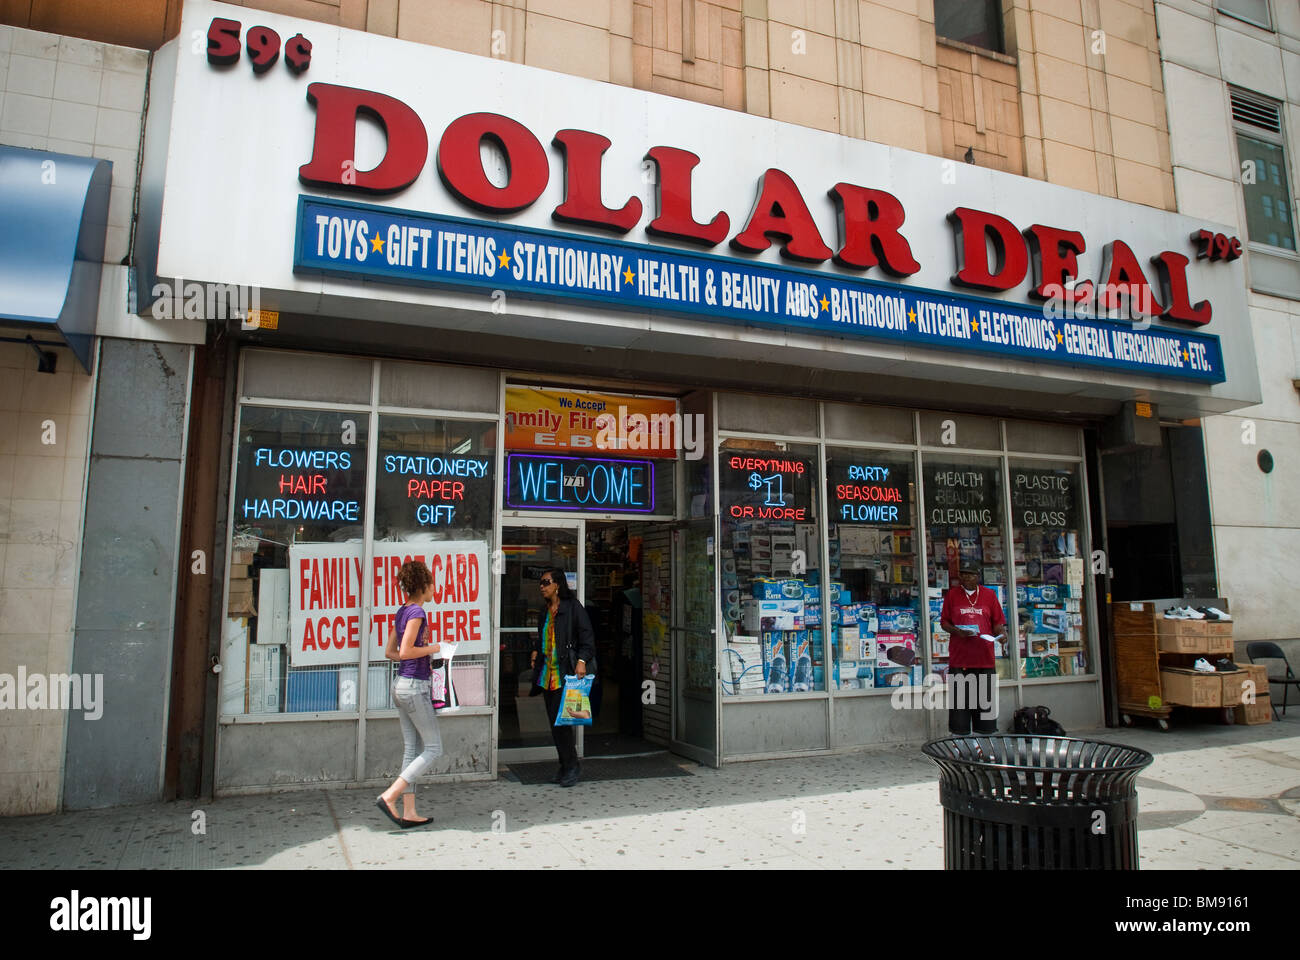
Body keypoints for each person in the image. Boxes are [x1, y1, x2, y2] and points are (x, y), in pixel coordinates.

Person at [376, 560, 443, 828]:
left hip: (401, 684)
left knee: (412, 749)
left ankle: (410, 811)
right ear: (424, 586)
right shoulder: (417, 613)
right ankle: (390, 796)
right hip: (415, 686)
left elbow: (390, 652)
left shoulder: (402, 611)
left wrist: (420, 652)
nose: (435, 589)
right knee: (435, 748)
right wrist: (435, 647)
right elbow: (404, 652)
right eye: (432, 584)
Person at [530, 567, 596, 787]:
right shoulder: (545, 611)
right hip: (547, 675)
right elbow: (542, 637)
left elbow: (587, 637)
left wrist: (581, 661)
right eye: (541, 583)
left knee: (562, 724)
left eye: (546, 582)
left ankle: (571, 766)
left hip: (566, 674)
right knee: (555, 723)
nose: (542, 587)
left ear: (557, 584)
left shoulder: (573, 608)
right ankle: (565, 765)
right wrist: (535, 651)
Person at [939, 561, 1009, 736]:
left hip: (984, 657)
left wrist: (1002, 634)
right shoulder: (952, 595)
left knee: (984, 702)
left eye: (969, 574)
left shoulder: (989, 595)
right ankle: (959, 736)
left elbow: (998, 622)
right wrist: (957, 631)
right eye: (962, 574)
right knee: (960, 702)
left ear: (977, 577)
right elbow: (944, 622)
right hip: (960, 657)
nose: (965, 578)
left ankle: (985, 737)